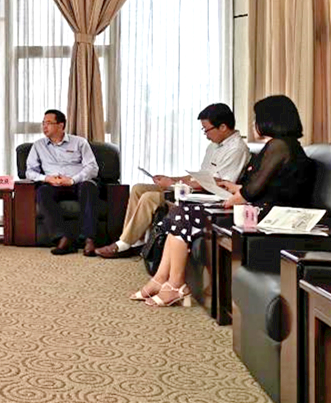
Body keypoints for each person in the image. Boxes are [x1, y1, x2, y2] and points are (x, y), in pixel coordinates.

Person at [132, 95, 314, 307]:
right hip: (259, 209)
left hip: (268, 215)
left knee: (182, 215)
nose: (254, 123)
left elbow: (251, 192)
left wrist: (235, 197)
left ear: (271, 119)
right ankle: (161, 280)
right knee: (177, 214)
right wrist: (234, 188)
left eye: (256, 118)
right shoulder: (282, 146)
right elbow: (262, 186)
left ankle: (174, 285)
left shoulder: (279, 146)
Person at [94, 103, 250, 258]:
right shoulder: (213, 146)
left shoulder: (237, 149)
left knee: (149, 197)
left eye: (206, 129)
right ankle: (135, 241)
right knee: (138, 188)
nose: (205, 134)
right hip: (196, 189)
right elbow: (201, 176)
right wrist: (171, 179)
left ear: (223, 127)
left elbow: (219, 184)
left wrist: (173, 185)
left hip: (212, 197)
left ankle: (123, 244)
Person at [25, 109, 100, 256]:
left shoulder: (79, 142)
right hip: (53, 185)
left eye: (49, 123)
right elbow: (29, 172)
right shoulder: (38, 146)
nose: (44, 126)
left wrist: (72, 180)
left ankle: (89, 239)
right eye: (43, 123)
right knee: (42, 192)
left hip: (78, 182)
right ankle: (63, 238)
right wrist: (47, 178)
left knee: (89, 187)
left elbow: (92, 168)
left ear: (61, 125)